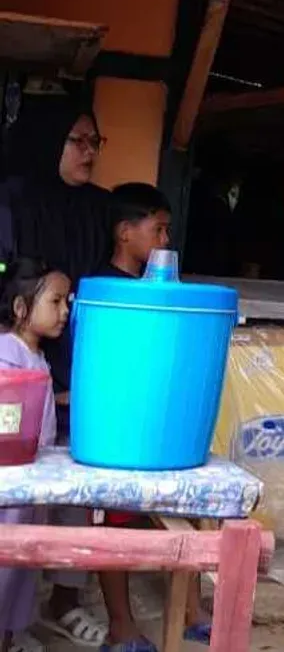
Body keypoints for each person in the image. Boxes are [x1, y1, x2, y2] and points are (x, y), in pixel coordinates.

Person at [2, 93, 110, 646]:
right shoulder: (12, 200)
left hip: (80, 357)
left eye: (96, 141)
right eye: (80, 140)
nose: (90, 151)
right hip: (22, 356)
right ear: (49, 142)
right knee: (18, 497)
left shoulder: (98, 206)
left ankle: (64, 599)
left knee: (75, 481)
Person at [93, 184, 211, 652]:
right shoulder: (102, 289)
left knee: (188, 510)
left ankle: (191, 611)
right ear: (125, 233)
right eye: (157, 229)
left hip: (162, 425)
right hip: (117, 427)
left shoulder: (166, 291)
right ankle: (121, 625)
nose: (166, 240)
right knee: (113, 520)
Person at [0, 258, 68, 652]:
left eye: (67, 302)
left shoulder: (36, 355)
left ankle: (11, 635)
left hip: (30, 484)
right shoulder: (7, 352)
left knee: (22, 571)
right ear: (22, 309)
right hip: (9, 486)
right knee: (6, 569)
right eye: (56, 302)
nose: (65, 311)